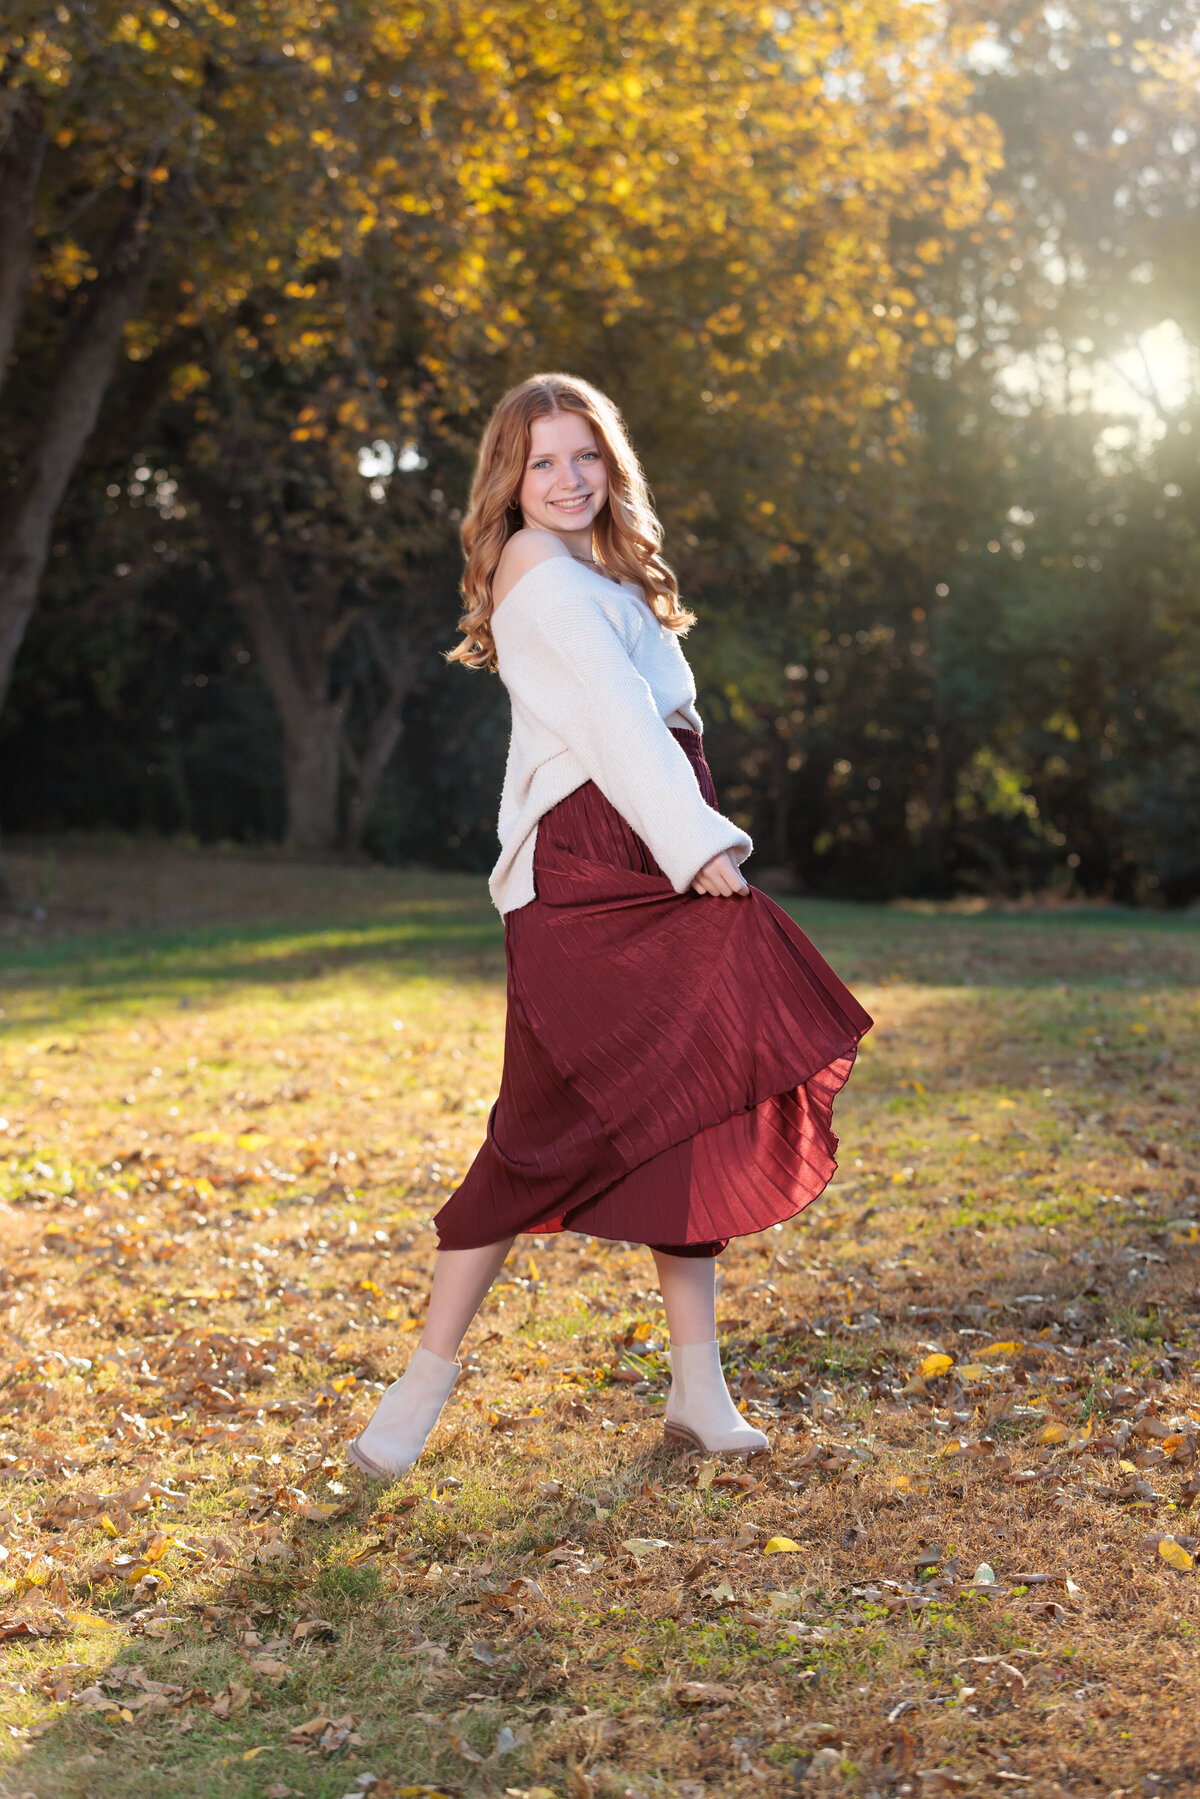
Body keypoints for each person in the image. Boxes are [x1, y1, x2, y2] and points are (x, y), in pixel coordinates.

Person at [346, 373, 872, 1479]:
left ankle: (697, 1389)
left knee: (688, 1106)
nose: (569, 479)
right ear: (511, 478)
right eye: (543, 462)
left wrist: (682, 831)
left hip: (648, 836)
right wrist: (700, 839)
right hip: (595, 863)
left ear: (611, 465)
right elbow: (618, 719)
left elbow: (654, 712)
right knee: (540, 1128)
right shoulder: (537, 573)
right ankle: (422, 1382)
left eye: (586, 456)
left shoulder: (599, 569)